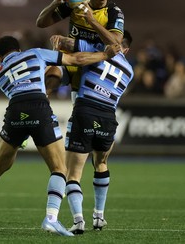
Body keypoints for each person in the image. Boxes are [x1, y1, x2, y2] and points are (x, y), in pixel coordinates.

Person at [0, 35, 122, 236]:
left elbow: (20, 87)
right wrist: (104, 54)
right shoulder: (34, 53)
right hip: (38, 105)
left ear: (0, 57)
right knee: (60, 168)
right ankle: (51, 218)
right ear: (18, 49)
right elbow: (75, 60)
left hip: (15, 111)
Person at [50, 33, 133, 234]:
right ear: (127, 50)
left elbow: (70, 48)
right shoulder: (130, 70)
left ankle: (78, 221)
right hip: (108, 116)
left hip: (85, 109)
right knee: (101, 163)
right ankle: (99, 216)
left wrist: (58, 43)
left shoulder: (96, 50)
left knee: (73, 174)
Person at [36, 0, 124, 98]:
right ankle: (42, 101)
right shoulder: (76, 4)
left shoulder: (113, 12)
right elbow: (41, 23)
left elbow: (116, 43)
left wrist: (92, 21)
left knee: (79, 106)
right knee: (50, 76)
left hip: (92, 63)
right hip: (70, 58)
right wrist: (54, 3)